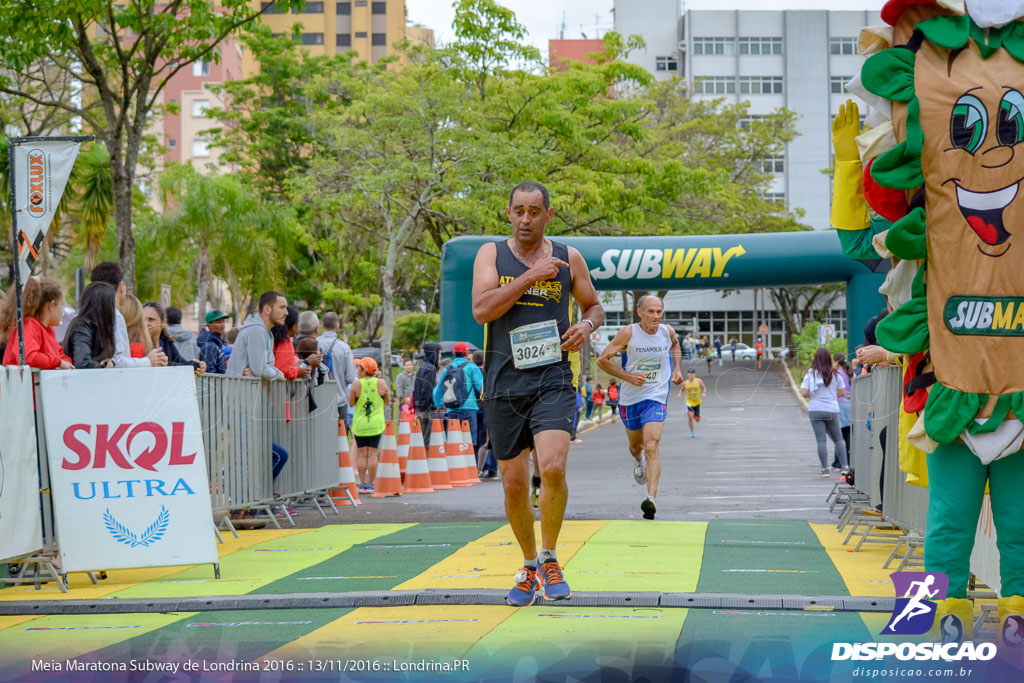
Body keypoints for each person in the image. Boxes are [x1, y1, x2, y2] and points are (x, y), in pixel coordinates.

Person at [472, 180, 604, 606]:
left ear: (548, 214)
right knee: (513, 484)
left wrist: (586, 326)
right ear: (508, 214)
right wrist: (531, 276)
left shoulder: (569, 257)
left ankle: (550, 557)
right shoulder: (492, 254)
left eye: (534, 211)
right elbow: (482, 310)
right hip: (504, 382)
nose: (526, 219)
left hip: (553, 377)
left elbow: (594, 306)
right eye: (518, 211)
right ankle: (529, 564)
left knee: (552, 466)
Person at [597, 294, 682, 521]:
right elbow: (602, 360)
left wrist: (677, 369)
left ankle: (651, 500)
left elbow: (675, 344)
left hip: (655, 395)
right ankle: (638, 462)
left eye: (659, 312)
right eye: (651, 311)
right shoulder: (629, 333)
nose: (656, 316)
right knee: (636, 447)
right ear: (640, 312)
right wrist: (629, 376)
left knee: (651, 444)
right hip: (630, 399)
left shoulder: (667, 332)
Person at [90, 262, 166, 368]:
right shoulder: (115, 317)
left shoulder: (85, 315)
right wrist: (148, 361)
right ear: (121, 286)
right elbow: (118, 361)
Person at [0, 277, 73, 369]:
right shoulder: (29, 325)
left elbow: (60, 354)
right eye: (61, 305)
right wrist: (58, 362)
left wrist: (64, 361)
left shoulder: (48, 329)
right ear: (51, 305)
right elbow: (28, 357)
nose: (62, 311)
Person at [800, 346, 847, 478]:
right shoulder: (835, 374)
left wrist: (814, 395)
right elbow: (842, 392)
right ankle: (845, 466)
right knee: (838, 439)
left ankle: (825, 469)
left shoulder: (811, 373)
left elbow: (803, 392)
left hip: (815, 409)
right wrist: (831, 396)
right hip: (832, 409)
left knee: (821, 441)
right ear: (828, 359)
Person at [349, 356, 390, 491]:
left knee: (361, 454)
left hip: (360, 423)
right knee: (372, 454)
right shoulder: (382, 383)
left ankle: (362, 484)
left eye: (359, 367)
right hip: (376, 423)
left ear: (363, 370)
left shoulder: (356, 384)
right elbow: (387, 401)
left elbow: (351, 403)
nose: (357, 370)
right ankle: (371, 484)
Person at [433, 341, 484, 448]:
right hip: (469, 408)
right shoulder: (472, 367)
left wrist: (439, 404)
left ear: (454, 354)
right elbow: (481, 387)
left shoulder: (447, 369)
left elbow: (438, 390)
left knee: (454, 441)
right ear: (466, 353)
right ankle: (470, 464)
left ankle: (456, 464)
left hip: (452, 409)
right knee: (470, 441)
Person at [227, 291, 288, 380]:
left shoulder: (268, 333)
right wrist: (278, 375)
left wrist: (261, 372)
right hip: (237, 391)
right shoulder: (257, 330)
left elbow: (265, 368)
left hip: (248, 391)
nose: (286, 313)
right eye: (282, 307)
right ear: (267, 309)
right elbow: (261, 370)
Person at [63, 282, 118, 369]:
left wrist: (109, 363)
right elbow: (82, 362)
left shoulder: (92, 326)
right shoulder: (83, 326)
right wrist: (103, 367)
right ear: (104, 306)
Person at [318, 311, 358, 426]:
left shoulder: (314, 343)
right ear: (337, 325)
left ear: (322, 325)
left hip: (319, 400)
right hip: (339, 400)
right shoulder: (344, 348)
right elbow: (351, 378)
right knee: (340, 439)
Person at [143, 302, 205, 372]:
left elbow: (180, 362)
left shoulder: (166, 343)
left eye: (151, 319)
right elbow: (167, 363)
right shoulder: (136, 343)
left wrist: (197, 365)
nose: (146, 323)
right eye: (143, 319)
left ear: (163, 322)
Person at [273, 306, 314, 381]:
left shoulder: (273, 337)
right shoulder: (285, 341)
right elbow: (284, 370)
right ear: (295, 326)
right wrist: (299, 371)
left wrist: (296, 366)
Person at [413, 341, 441, 445]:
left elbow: (416, 389)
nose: (440, 355)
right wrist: (431, 406)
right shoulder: (431, 368)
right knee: (427, 441)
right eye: (439, 353)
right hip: (428, 410)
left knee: (420, 439)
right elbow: (427, 389)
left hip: (419, 408)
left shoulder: (422, 366)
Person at [833, 353, 853, 470]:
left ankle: (838, 461)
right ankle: (848, 461)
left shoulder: (837, 374)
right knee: (848, 436)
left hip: (840, 405)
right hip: (850, 406)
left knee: (838, 436)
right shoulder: (850, 373)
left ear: (836, 362)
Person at [198, 309, 230, 374]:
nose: (222, 325)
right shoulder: (209, 346)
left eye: (223, 321)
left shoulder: (219, 343)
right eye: (218, 322)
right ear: (209, 325)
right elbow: (210, 375)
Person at [679, 368, 707, 438]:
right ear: (687, 374)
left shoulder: (699, 381)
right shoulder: (685, 383)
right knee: (690, 417)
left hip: (697, 402)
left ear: (694, 374)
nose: (691, 374)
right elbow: (681, 390)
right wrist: (679, 394)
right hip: (689, 402)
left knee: (697, 420)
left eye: (692, 373)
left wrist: (704, 393)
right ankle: (692, 432)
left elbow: (704, 388)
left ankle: (695, 415)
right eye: (689, 373)